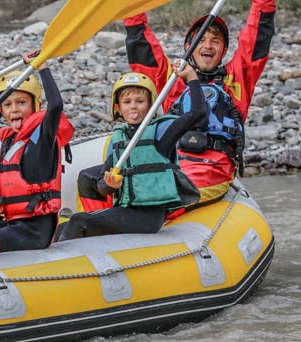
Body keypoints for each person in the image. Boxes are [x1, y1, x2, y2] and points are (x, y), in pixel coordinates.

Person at [123, 0, 278, 202]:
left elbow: (259, 32)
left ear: (224, 51)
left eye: (215, 41)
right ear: (188, 47)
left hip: (213, 172)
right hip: (174, 168)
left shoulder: (237, 78)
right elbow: (141, 46)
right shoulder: (172, 81)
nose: (207, 45)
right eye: (201, 40)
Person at [56, 67, 205, 241]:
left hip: (149, 217)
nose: (133, 106)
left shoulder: (161, 132)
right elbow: (102, 186)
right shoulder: (119, 138)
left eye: (140, 101)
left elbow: (197, 113)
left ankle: (75, 257)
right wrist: (110, 185)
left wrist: (191, 76)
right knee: (63, 226)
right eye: (127, 102)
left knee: (79, 221)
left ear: (151, 105)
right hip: (127, 211)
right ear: (118, 108)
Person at [0, 59, 75, 256]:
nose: (14, 109)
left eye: (21, 102)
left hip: (35, 232)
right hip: (13, 223)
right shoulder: (6, 143)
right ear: (1, 111)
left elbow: (55, 106)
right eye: (7, 104)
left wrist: (43, 67)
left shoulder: (42, 138)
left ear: (35, 104)